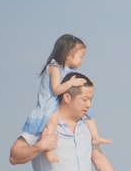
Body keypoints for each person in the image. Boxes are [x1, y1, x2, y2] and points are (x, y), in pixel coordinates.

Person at [22, 34, 112, 164]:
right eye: (80, 57)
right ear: (68, 55)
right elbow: (56, 89)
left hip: (59, 101)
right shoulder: (54, 68)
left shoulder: (68, 70)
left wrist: (87, 82)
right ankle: (49, 150)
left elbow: (75, 84)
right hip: (50, 103)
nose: (82, 61)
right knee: (52, 121)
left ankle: (95, 136)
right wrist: (71, 83)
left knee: (89, 113)